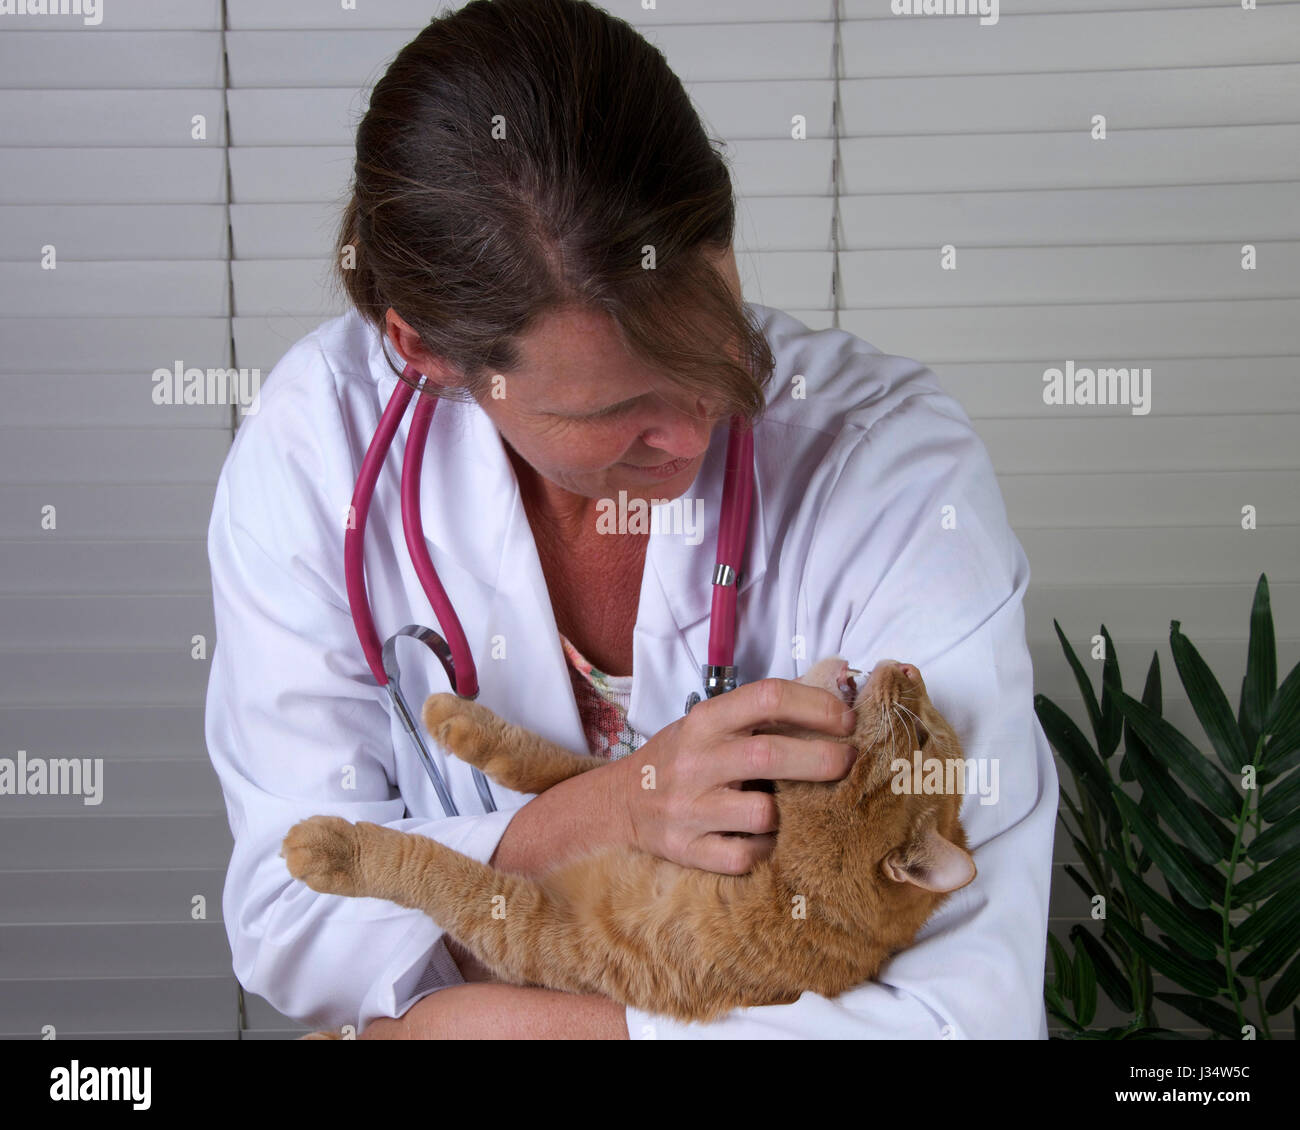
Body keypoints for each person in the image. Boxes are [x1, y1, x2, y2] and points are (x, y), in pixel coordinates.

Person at [203, 0, 1057, 1040]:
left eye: (716, 353)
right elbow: (295, 908)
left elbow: (960, 1014)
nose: (695, 435)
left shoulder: (886, 468)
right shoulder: (314, 450)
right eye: (614, 414)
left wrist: (446, 1028)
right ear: (427, 353)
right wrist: (605, 810)